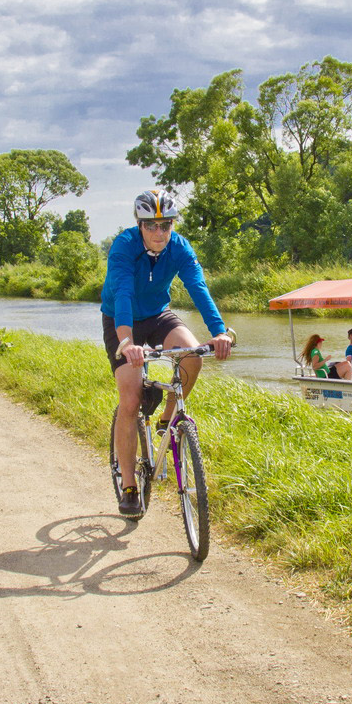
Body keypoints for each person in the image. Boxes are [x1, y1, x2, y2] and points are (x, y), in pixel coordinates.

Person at [102, 189, 233, 517]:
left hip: (159, 314)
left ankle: (167, 418)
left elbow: (197, 287)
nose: (159, 233)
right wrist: (126, 342)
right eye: (151, 226)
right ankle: (130, 485)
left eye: (166, 225)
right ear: (139, 224)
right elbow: (122, 291)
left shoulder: (180, 248)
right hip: (122, 317)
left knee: (192, 355)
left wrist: (218, 331)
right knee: (130, 400)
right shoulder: (124, 246)